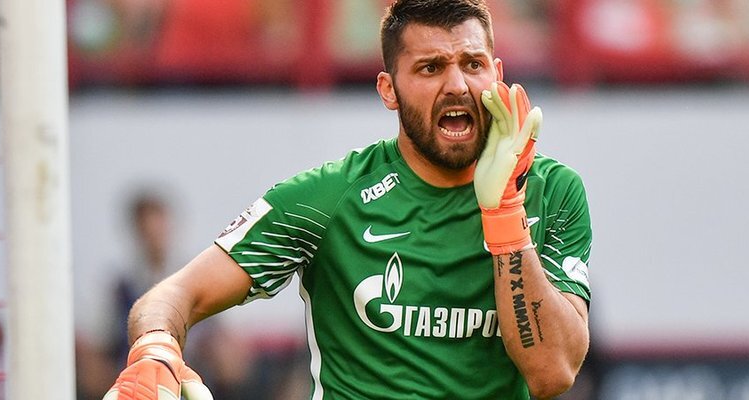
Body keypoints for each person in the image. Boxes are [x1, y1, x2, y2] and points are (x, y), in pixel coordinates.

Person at [103, 0, 592, 399]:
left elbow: (552, 374)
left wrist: (505, 212)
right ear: (389, 90)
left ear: (497, 74)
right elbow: (172, 295)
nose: (458, 85)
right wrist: (155, 349)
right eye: (430, 68)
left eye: (473, 64)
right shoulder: (329, 197)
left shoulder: (551, 190)